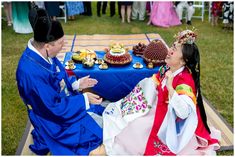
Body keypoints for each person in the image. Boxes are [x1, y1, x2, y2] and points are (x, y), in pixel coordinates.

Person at [102, 30, 220, 155]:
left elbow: (184, 112)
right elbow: (154, 83)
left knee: (135, 125)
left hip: (171, 119)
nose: (169, 50)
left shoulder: (184, 81)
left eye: (174, 49)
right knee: (129, 117)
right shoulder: (167, 68)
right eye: (172, 46)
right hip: (159, 107)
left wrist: (170, 88)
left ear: (183, 60)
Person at [16, 8, 105, 155]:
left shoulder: (44, 53)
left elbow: (58, 80)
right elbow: (51, 107)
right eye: (61, 43)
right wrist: (83, 99)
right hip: (51, 119)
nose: (64, 45)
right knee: (93, 133)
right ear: (47, 45)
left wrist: (76, 85)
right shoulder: (30, 73)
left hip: (60, 105)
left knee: (101, 117)